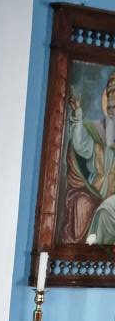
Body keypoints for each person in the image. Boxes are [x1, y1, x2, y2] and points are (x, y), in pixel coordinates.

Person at [63, 78, 115, 245]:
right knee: (81, 204)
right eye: (111, 106)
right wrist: (78, 115)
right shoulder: (98, 131)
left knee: (105, 212)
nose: (113, 110)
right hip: (95, 189)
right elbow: (81, 145)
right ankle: (83, 251)